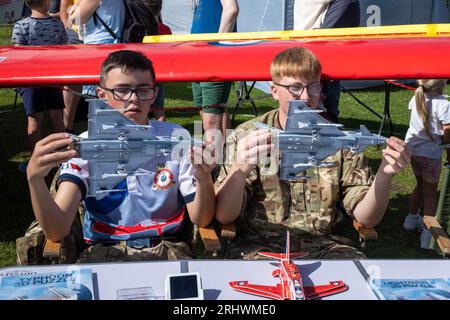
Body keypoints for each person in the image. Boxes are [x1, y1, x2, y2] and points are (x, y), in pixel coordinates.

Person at [215, 47, 411, 259]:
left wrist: (384, 174)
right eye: (295, 88)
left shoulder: (338, 139)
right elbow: (224, 215)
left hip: (326, 248)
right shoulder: (249, 136)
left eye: (314, 87)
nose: (306, 96)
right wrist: (240, 169)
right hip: (258, 248)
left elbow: (367, 219)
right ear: (274, 91)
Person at [25, 50, 216, 262]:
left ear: (154, 93)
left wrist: (204, 178)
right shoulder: (85, 146)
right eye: (122, 91)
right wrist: (35, 179)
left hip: (168, 248)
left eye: (143, 90)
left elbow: (202, 218)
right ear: (101, 95)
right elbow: (57, 230)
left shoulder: (177, 139)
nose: (133, 99)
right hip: (104, 251)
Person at [12, 0, 67, 172]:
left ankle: (35, 161)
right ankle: (66, 155)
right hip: (52, 76)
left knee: (34, 119)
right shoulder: (58, 25)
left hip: (29, 79)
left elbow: (17, 56)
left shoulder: (20, 26)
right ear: (48, 2)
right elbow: (64, 51)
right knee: (57, 116)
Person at [403, 79, 450, 249]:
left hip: (413, 150)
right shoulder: (444, 104)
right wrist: (447, 143)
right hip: (430, 154)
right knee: (431, 194)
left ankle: (411, 218)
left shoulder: (417, 97)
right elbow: (448, 128)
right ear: (442, 84)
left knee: (420, 186)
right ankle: (427, 232)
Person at [191, 0, 239, 136]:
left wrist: (218, 45)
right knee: (212, 111)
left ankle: (216, 156)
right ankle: (226, 154)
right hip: (198, 55)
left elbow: (232, 9)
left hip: (212, 58)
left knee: (210, 120)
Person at [143, 0, 172, 122]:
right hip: (158, 75)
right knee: (159, 111)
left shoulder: (138, 28)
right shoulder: (165, 29)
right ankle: (164, 134)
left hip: (143, 74)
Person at [60, 0, 82, 134]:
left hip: (98, 37)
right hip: (75, 36)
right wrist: (67, 29)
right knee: (72, 82)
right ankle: (68, 126)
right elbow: (64, 10)